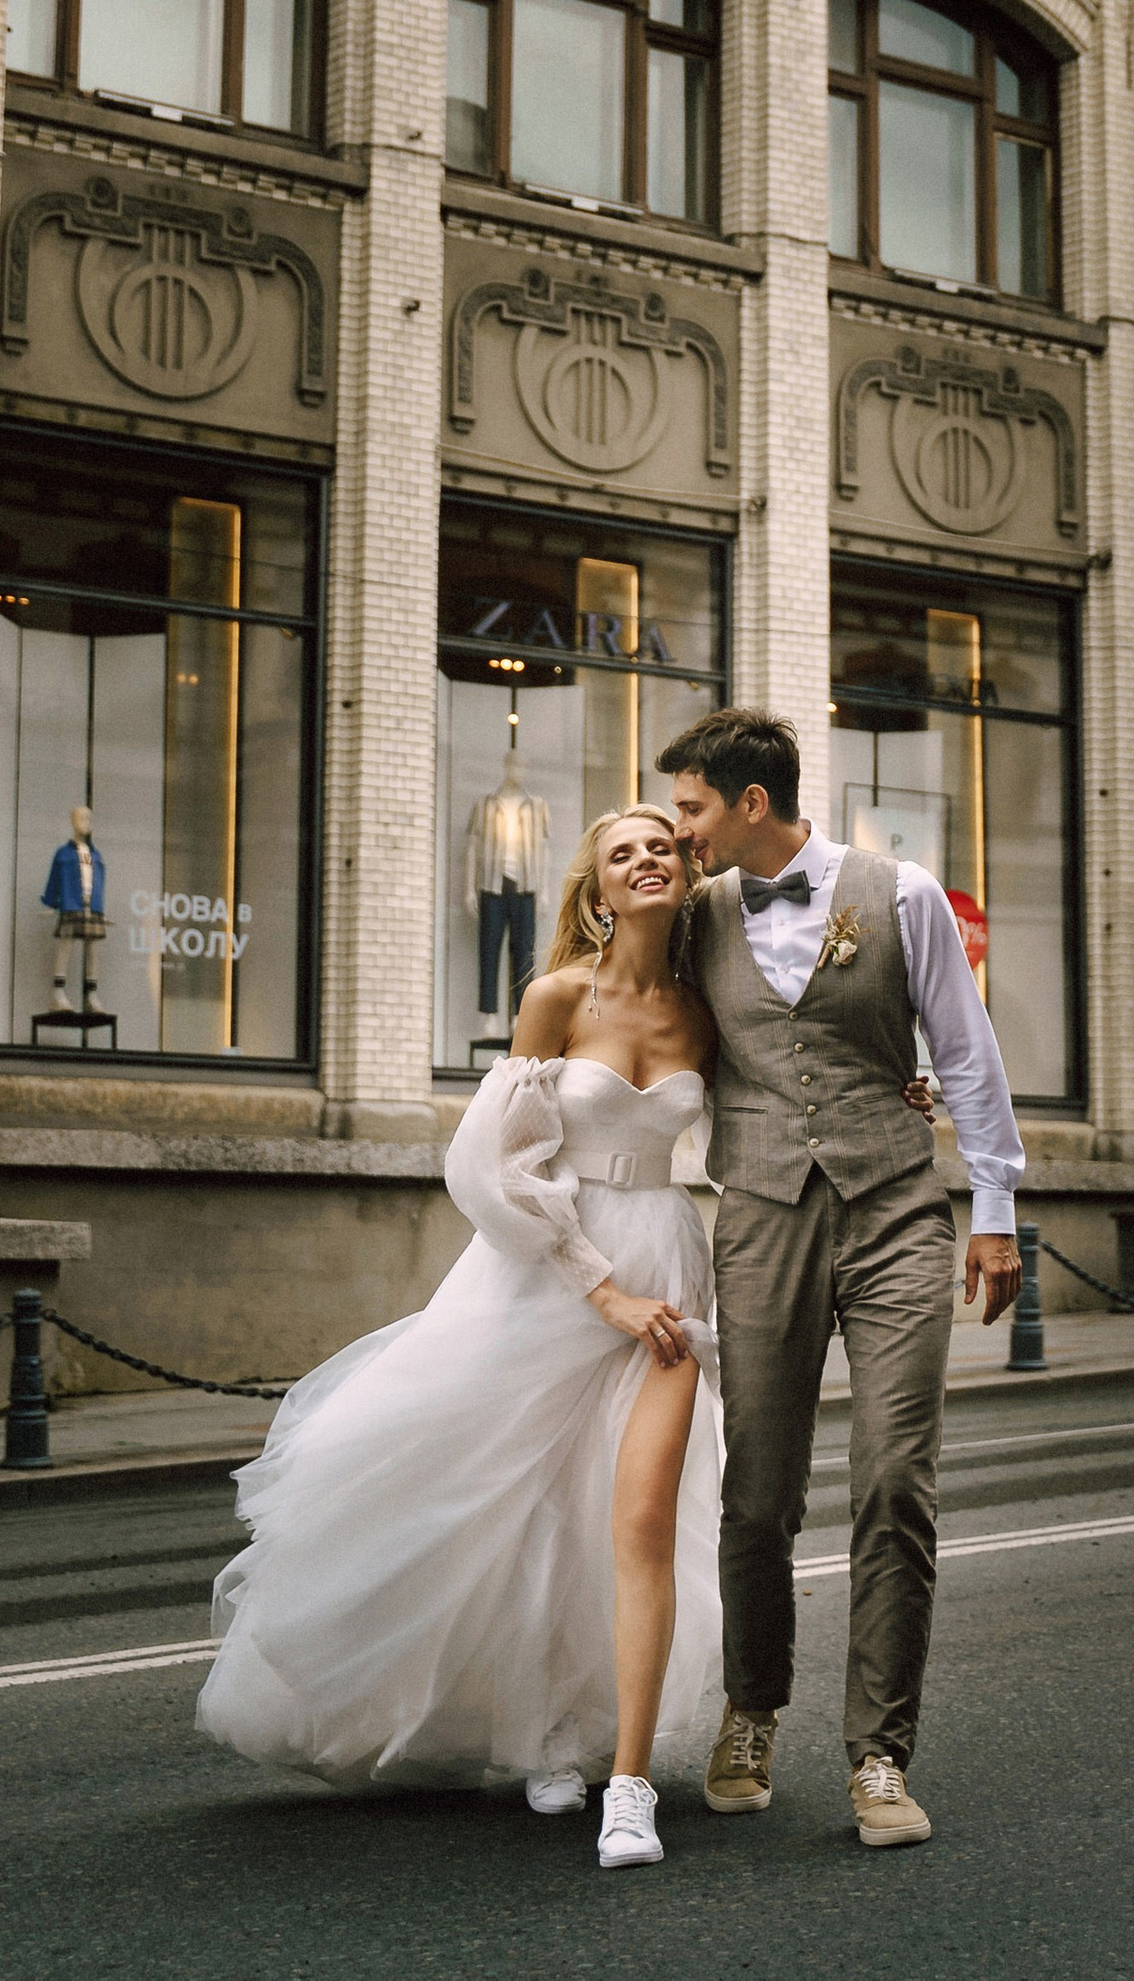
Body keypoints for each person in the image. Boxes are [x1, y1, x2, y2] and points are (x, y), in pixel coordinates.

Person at [195, 806, 721, 1868]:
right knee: (519, 1507)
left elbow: (775, 1115)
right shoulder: (557, 995)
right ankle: (540, 1735)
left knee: (636, 1522)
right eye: (622, 852)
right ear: (596, 889)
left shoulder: (710, 1007)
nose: (644, 859)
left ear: (683, 871)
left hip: (668, 1270)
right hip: (548, 1273)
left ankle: (625, 1781)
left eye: (660, 845)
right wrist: (597, 1289)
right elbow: (487, 1166)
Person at [663, 705, 1025, 1852]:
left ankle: (879, 1753)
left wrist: (996, 1212)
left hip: (895, 1214)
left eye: (691, 808)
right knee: (757, 1490)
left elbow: (964, 1055)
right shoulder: (694, 916)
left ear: (750, 805)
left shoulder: (901, 892)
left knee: (894, 1481)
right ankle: (750, 1709)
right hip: (762, 1217)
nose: (681, 831)